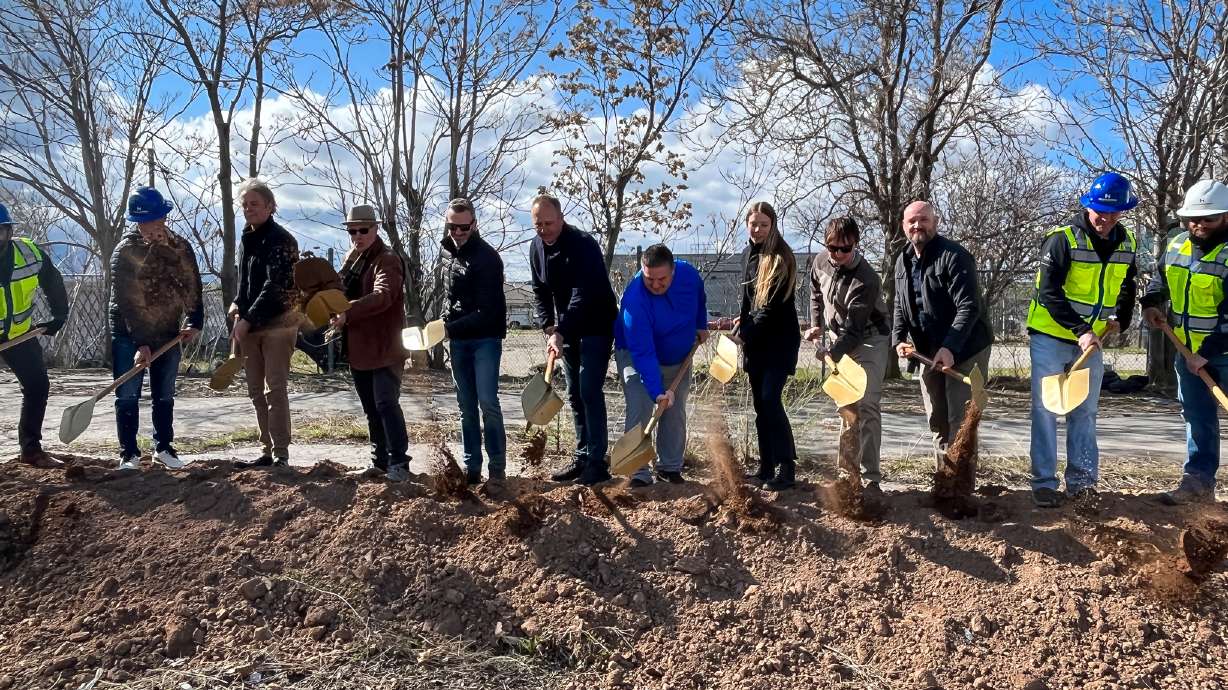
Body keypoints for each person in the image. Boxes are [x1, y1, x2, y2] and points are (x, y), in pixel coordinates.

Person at [1026, 172, 1138, 508]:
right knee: (1046, 410)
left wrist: (1123, 317)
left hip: (1092, 342)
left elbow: (1127, 286)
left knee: (1084, 412)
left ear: (1122, 211)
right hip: (1051, 336)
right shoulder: (1063, 240)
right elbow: (1048, 292)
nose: (1105, 218)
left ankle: (1082, 484)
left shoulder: (1127, 243)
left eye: (1113, 212)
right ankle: (1044, 483)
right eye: (1099, 211)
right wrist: (1081, 330)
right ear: (1088, 206)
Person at [891, 201, 993, 489]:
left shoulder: (955, 257)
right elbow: (900, 303)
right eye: (911, 220)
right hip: (927, 353)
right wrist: (899, 336)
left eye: (923, 219)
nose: (917, 225)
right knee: (937, 419)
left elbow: (969, 306)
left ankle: (961, 488)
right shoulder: (902, 260)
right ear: (903, 225)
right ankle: (944, 481)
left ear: (935, 222)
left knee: (961, 420)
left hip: (966, 348)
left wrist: (950, 347)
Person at [1141, 180, 1228, 505]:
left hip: (1220, 354)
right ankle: (1198, 483)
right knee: (1197, 417)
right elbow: (1159, 278)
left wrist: (1205, 355)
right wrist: (1151, 302)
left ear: (1225, 217)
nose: (1199, 225)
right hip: (1186, 352)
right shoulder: (1177, 244)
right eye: (1194, 219)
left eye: (1208, 219)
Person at [108, 187, 204, 470]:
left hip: (167, 330)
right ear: (137, 222)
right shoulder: (124, 253)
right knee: (127, 394)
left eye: (158, 219)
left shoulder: (180, 247)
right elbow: (127, 304)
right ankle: (129, 453)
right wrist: (139, 344)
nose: (154, 227)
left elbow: (192, 285)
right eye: (147, 221)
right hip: (128, 332)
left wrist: (194, 321)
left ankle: (164, 448)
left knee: (164, 393)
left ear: (164, 217)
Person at [529, 194, 619, 485]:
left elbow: (583, 294)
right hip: (567, 329)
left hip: (595, 325)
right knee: (574, 394)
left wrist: (560, 330)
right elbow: (540, 291)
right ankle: (581, 457)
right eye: (538, 224)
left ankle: (597, 462)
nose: (544, 229)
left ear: (561, 217)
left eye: (549, 222)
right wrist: (548, 327)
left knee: (589, 389)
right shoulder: (536, 248)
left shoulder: (583, 245)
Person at [806, 217, 891, 493]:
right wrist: (817, 324)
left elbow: (854, 331)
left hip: (869, 339)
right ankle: (848, 475)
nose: (839, 254)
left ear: (856, 244)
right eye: (833, 248)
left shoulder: (866, 278)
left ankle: (871, 478)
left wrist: (830, 352)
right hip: (837, 335)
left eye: (845, 248)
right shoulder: (820, 262)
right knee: (846, 405)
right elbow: (816, 293)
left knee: (866, 403)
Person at [615, 244, 708, 488]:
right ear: (642, 272)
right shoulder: (635, 300)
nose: (655, 285)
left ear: (673, 271)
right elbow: (643, 353)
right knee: (640, 404)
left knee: (674, 410)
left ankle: (669, 467)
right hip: (637, 355)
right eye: (649, 279)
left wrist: (700, 324)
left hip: (679, 354)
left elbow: (700, 297)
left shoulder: (688, 275)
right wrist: (657, 392)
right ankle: (638, 471)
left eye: (662, 279)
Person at [330, 204, 410, 481]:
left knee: (386, 403)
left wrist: (347, 312)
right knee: (371, 408)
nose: (357, 236)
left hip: (386, 347)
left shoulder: (387, 259)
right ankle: (379, 461)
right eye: (352, 231)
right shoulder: (351, 261)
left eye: (363, 230)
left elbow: (384, 295)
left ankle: (399, 464)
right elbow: (336, 292)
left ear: (375, 229)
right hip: (360, 348)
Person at [230, 178, 300, 469]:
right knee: (255, 391)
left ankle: (282, 453)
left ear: (271, 207)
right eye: (245, 204)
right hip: (250, 326)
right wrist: (236, 304)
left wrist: (247, 318)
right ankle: (266, 450)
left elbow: (275, 287)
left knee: (275, 388)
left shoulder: (283, 240)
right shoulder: (246, 238)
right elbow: (246, 283)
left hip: (278, 324)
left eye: (254, 204)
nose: (248, 209)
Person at [731, 202, 801, 491]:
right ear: (747, 224)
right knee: (761, 405)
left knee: (771, 400)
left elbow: (770, 308)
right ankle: (766, 466)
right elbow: (750, 302)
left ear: (773, 225)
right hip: (757, 343)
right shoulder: (747, 253)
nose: (757, 229)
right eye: (753, 224)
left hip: (779, 342)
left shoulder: (781, 257)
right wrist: (742, 322)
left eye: (763, 224)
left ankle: (786, 467)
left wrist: (745, 333)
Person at [439, 198, 507, 484]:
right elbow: (448, 295)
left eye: (464, 227)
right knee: (465, 406)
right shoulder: (446, 252)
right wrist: (442, 321)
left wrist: (449, 329)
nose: (458, 232)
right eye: (453, 227)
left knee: (488, 402)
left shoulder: (488, 258)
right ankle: (472, 468)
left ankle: (497, 468)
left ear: (474, 224)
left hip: (484, 339)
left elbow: (487, 310)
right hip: (458, 340)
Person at [0, 202, 69, 468]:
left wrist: (59, 315)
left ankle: (30, 449)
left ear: (8, 231)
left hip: (20, 334)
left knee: (38, 386)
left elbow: (52, 280)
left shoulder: (29, 253)